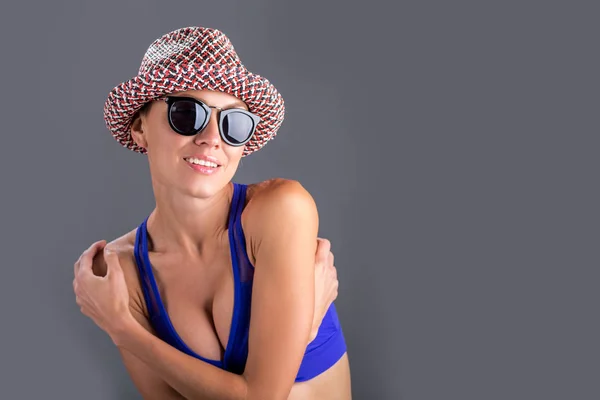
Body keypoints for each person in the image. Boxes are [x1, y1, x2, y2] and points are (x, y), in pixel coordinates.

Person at [72, 26, 352, 399]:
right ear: (140, 128)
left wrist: (123, 329)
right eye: (187, 115)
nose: (211, 138)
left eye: (232, 123)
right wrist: (304, 328)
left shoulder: (280, 211)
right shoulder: (123, 271)